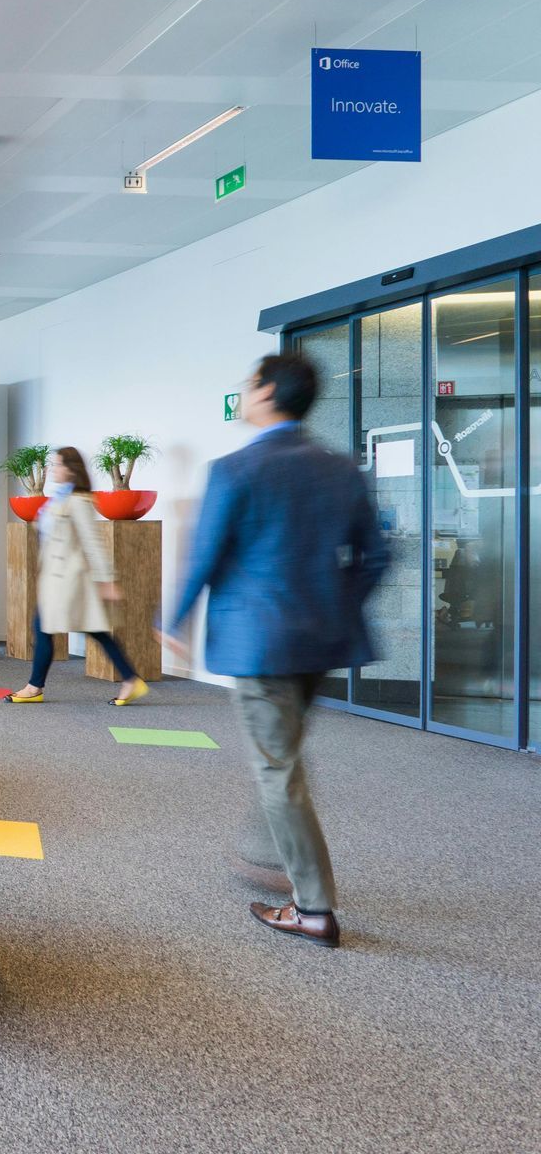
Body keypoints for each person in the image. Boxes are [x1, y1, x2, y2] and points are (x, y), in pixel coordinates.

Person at [160, 352, 389, 949]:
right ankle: (268, 849)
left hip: (261, 642)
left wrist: (175, 618)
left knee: (277, 769)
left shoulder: (235, 468)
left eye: (248, 385)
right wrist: (338, 604)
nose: (244, 394)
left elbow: (207, 553)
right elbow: (379, 556)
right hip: (321, 639)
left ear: (266, 393)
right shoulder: (341, 468)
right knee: (282, 756)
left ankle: (312, 908)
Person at [6, 446, 148, 706]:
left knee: (46, 627)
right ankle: (130, 679)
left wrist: (107, 580)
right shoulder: (59, 499)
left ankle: (34, 687)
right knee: (91, 629)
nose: (53, 469)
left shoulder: (78, 501)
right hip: (55, 578)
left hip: (69, 580)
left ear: (71, 469)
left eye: (58, 464)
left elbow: (92, 542)